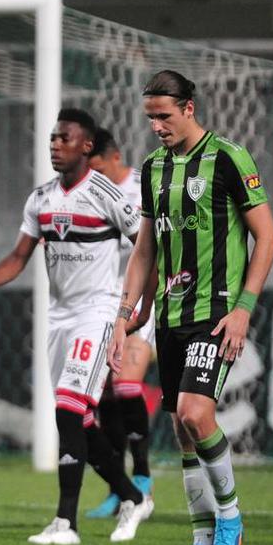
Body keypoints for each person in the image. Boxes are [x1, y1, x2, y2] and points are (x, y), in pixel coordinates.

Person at [110, 70, 273, 545]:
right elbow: (145, 249)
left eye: (164, 115)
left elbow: (266, 238)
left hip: (217, 311)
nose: (157, 126)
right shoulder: (152, 169)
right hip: (170, 313)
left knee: (196, 413)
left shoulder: (228, 157)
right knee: (183, 431)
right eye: (150, 118)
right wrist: (126, 313)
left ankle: (231, 522)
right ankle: (201, 544)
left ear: (188, 107)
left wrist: (244, 307)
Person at [0, 110, 152, 545]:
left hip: (100, 311)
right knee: (78, 418)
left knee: (68, 410)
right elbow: (20, 255)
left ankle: (66, 523)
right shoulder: (41, 199)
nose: (55, 144)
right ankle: (130, 495)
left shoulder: (107, 193)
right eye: (52, 138)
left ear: (86, 146)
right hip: (60, 316)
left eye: (64, 138)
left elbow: (147, 246)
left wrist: (139, 308)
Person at [84, 126, 157, 521]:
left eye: (96, 167)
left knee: (127, 384)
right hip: (100, 306)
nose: (91, 175)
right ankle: (119, 489)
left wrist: (147, 302)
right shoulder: (87, 194)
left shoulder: (141, 187)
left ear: (114, 158)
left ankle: (143, 478)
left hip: (138, 301)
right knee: (106, 395)